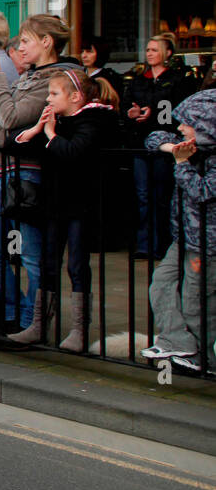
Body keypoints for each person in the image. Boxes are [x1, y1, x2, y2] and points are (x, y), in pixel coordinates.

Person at [9, 69, 121, 350]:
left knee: (76, 264)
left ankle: (79, 330)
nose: (48, 99)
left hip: (82, 203)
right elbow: (14, 145)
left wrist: (50, 134)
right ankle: (39, 325)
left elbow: (74, 151)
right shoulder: (59, 121)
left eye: (54, 94)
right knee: (48, 261)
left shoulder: (95, 120)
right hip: (55, 201)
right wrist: (37, 131)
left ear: (75, 97)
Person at [0, 14, 75, 332]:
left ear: (46, 42)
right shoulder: (27, 75)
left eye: (26, 40)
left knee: (33, 256)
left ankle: (32, 323)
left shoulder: (56, 78)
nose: (20, 46)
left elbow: (11, 117)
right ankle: (17, 313)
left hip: (25, 171)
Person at [141, 89, 216, 372]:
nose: (180, 127)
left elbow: (203, 191)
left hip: (207, 245)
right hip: (185, 237)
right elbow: (154, 137)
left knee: (197, 300)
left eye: (187, 122)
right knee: (161, 282)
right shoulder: (190, 147)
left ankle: (204, 358)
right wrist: (172, 149)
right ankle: (177, 341)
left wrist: (182, 164)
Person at [124, 33, 196, 260]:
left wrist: (152, 114)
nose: (150, 53)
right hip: (140, 144)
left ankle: (163, 244)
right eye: (148, 49)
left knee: (162, 194)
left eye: (155, 49)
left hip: (165, 145)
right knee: (143, 195)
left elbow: (178, 112)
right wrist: (132, 113)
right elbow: (127, 106)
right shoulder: (138, 79)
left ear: (168, 54)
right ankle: (144, 244)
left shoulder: (178, 79)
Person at [80, 35, 123, 99]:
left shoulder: (110, 78)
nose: (84, 55)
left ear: (100, 53)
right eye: (82, 51)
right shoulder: (78, 75)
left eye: (89, 52)